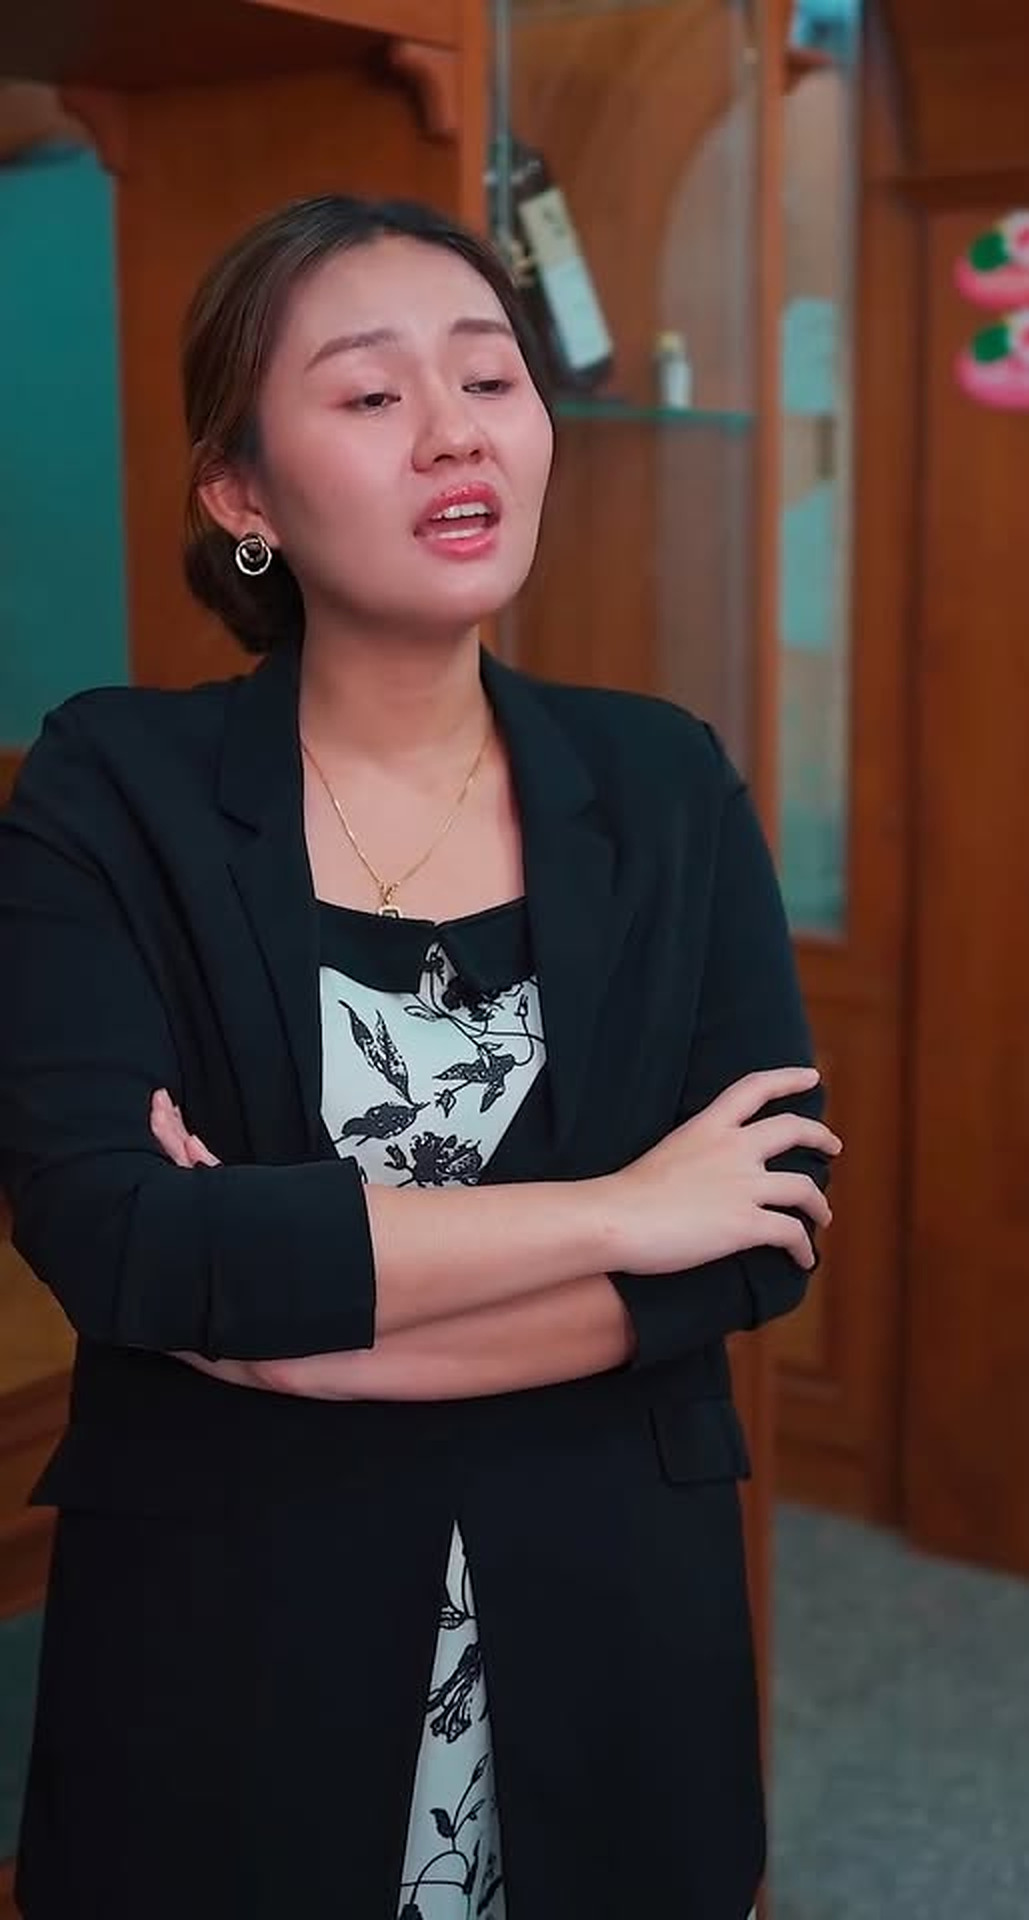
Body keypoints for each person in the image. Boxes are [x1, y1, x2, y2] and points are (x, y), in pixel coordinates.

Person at [0, 194, 839, 1920]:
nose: (456, 430)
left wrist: (308, 1338)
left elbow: (759, 1234)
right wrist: (619, 1213)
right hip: (231, 1644)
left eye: (490, 377)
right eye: (373, 395)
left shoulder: (665, 782)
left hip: (610, 1619)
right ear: (240, 494)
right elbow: (119, 1237)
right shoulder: (113, 787)